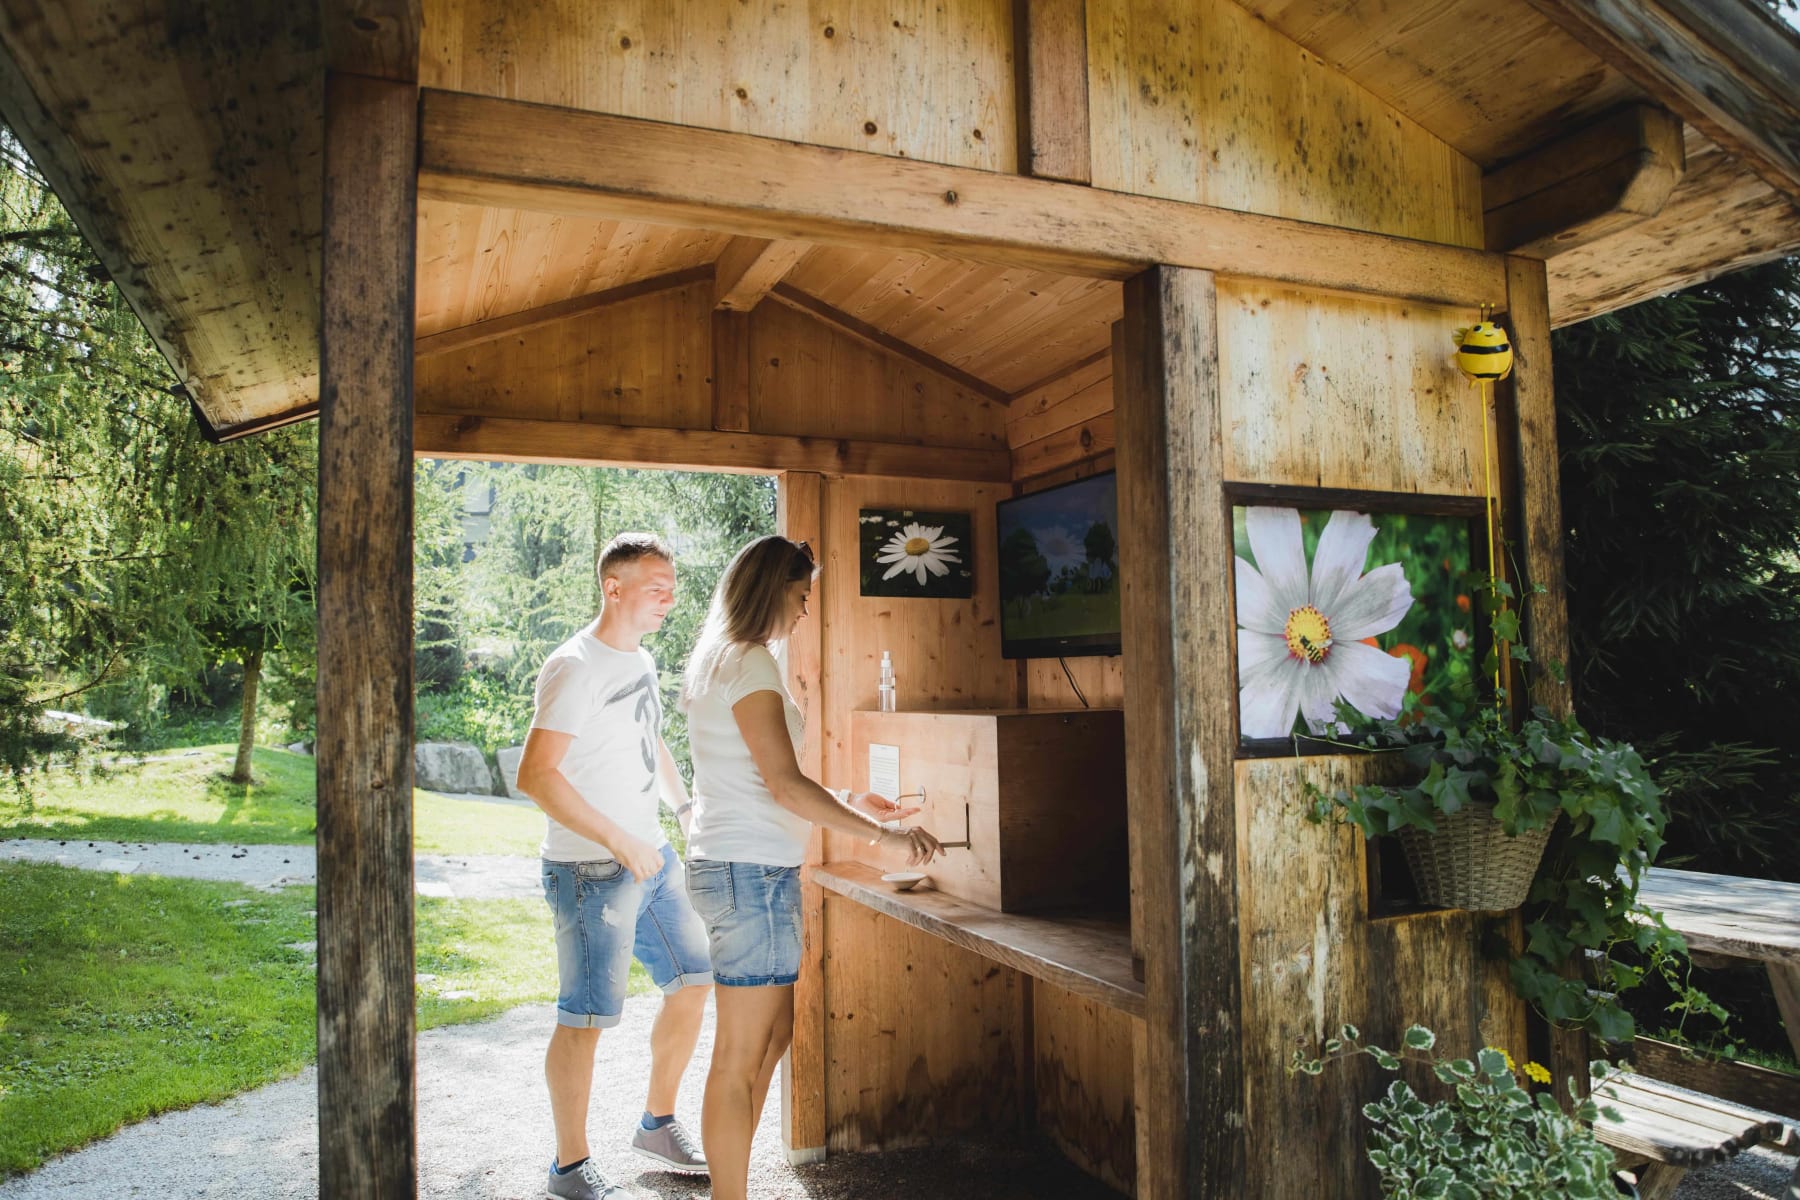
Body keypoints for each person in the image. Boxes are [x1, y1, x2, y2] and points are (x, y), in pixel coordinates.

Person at [680, 535, 942, 1200]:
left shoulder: (723, 659)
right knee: (741, 1056)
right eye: (799, 597)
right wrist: (879, 835)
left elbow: (771, 775)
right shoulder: (749, 663)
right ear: (771, 590)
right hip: (749, 876)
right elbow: (782, 785)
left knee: (773, 1038)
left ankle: (729, 1184)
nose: (803, 612)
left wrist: (852, 798)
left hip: (745, 869)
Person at [515, 532, 713, 1200]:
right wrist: (619, 842)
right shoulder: (575, 665)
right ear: (614, 587)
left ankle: (657, 1123)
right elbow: (536, 776)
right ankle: (568, 1168)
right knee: (587, 1018)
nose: (669, 597)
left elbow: (647, 735)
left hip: (649, 856)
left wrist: (683, 812)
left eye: (673, 585)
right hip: (589, 871)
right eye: (656, 584)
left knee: (694, 978)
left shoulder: (641, 661)